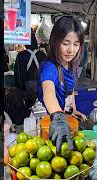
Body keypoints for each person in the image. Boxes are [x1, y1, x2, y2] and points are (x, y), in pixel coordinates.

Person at [37, 16, 87, 153]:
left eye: (76, 44)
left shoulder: (72, 65)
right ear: (55, 41)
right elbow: (48, 91)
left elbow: (70, 91)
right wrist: (58, 115)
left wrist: (74, 109)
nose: (71, 50)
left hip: (64, 120)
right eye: (66, 43)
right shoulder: (49, 67)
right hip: (50, 122)